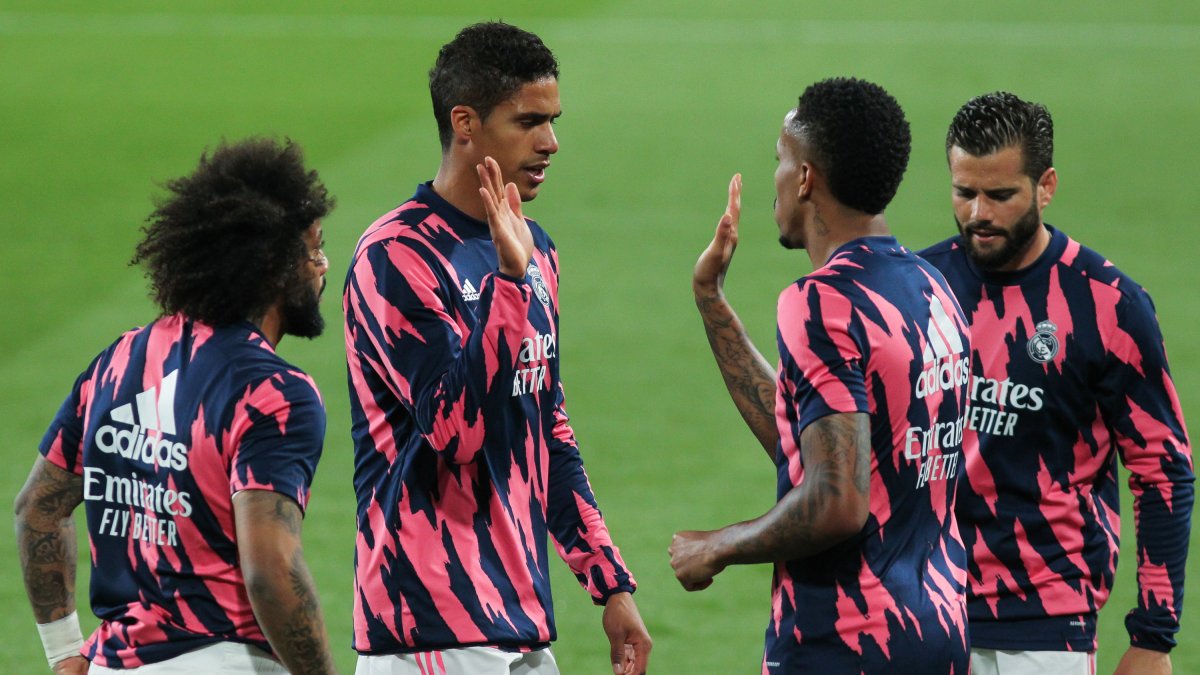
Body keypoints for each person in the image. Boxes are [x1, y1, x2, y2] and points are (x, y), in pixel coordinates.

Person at [342, 21, 651, 675]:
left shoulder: (536, 251)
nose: (551, 142)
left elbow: (547, 429)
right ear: (465, 123)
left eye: (554, 119)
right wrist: (509, 287)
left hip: (517, 621)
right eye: (529, 121)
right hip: (428, 629)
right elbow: (456, 432)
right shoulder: (396, 257)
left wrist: (609, 582)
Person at [669, 77, 972, 673]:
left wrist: (719, 545)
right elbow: (808, 443)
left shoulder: (822, 301)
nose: (775, 178)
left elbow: (837, 500)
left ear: (806, 179)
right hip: (939, 626)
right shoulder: (932, 288)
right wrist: (712, 302)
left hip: (850, 640)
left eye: (781, 159)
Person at [14, 138, 340, 674]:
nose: (324, 266)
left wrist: (65, 653)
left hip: (115, 664)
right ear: (276, 267)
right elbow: (270, 570)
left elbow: (37, 508)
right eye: (314, 250)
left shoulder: (118, 361)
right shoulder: (274, 391)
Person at [918, 92, 1194, 675]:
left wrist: (1154, 637)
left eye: (1000, 195)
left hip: (1046, 625)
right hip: (925, 610)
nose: (978, 214)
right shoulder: (919, 290)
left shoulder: (1109, 304)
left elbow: (1162, 470)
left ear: (1045, 186)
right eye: (964, 193)